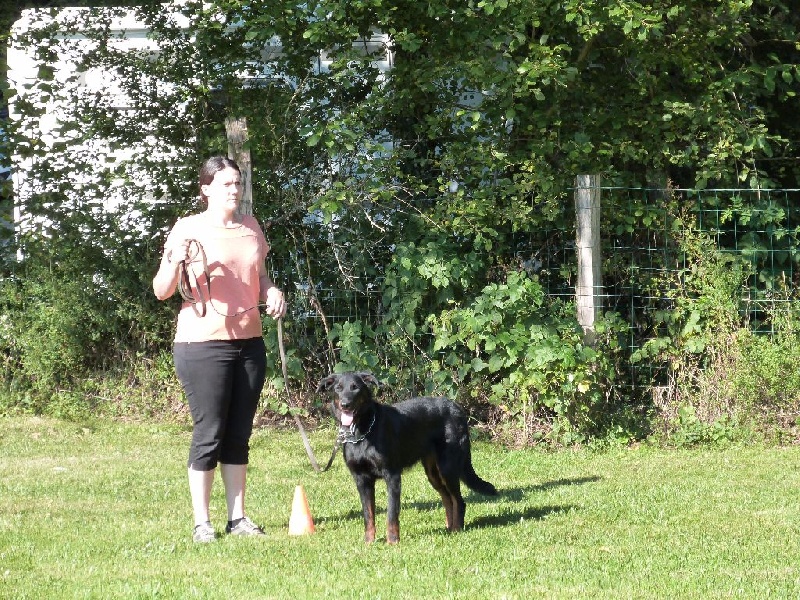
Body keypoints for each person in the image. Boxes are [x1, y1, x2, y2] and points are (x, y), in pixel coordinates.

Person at [152, 155, 286, 543]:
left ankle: (238, 519)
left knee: (239, 433)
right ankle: (202, 523)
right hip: (201, 343)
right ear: (206, 189)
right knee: (209, 431)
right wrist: (175, 262)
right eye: (226, 184)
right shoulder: (187, 229)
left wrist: (272, 292)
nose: (234, 189)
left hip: (250, 342)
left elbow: (259, 276)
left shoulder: (251, 227)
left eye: (238, 183)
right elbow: (162, 290)